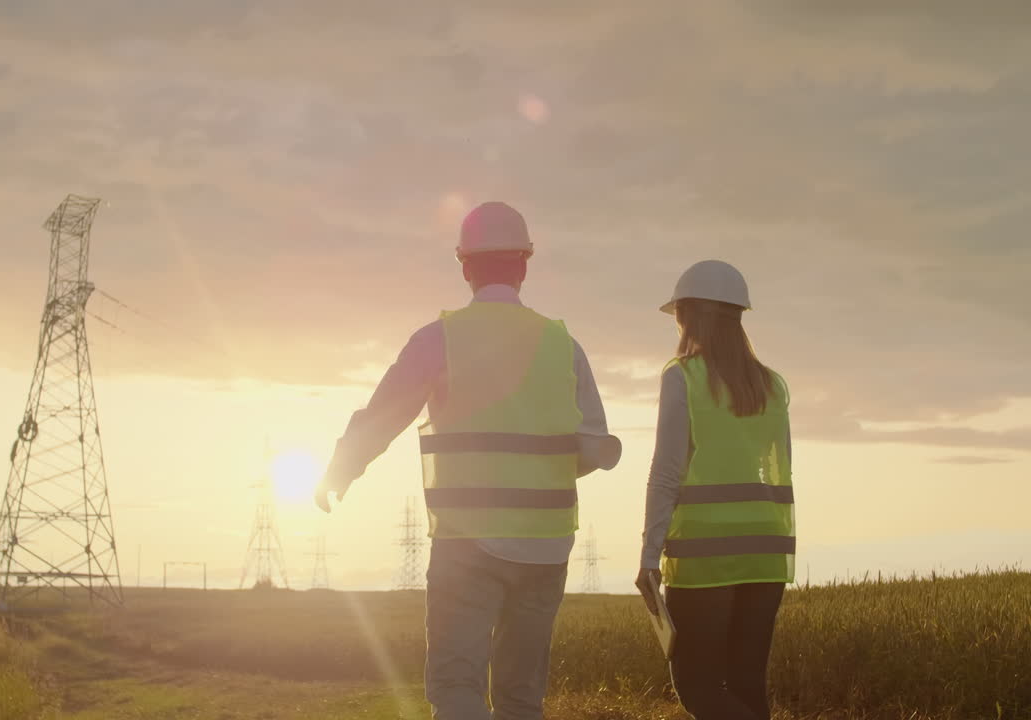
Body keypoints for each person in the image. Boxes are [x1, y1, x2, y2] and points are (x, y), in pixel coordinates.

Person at [316, 201, 622, 720]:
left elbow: (384, 414)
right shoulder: (563, 345)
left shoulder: (439, 340)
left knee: (458, 690)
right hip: (546, 546)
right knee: (522, 699)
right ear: (524, 265)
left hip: (467, 541)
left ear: (465, 266)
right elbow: (595, 448)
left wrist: (342, 467)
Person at [635, 260, 795, 720]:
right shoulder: (772, 384)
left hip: (705, 554)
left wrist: (649, 555)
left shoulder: (681, 376)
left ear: (686, 317)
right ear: (738, 316)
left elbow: (666, 472)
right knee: (746, 684)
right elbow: (780, 467)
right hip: (767, 550)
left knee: (697, 687)